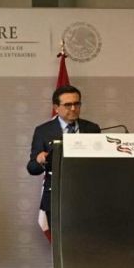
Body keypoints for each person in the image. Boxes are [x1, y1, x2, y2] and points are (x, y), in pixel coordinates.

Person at [27, 85, 100, 226]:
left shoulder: (92, 128)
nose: (73, 108)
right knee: (60, 246)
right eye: (68, 105)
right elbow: (32, 168)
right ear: (56, 107)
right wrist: (40, 159)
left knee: (87, 244)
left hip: (88, 198)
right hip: (56, 198)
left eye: (76, 103)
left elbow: (99, 164)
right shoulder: (43, 131)